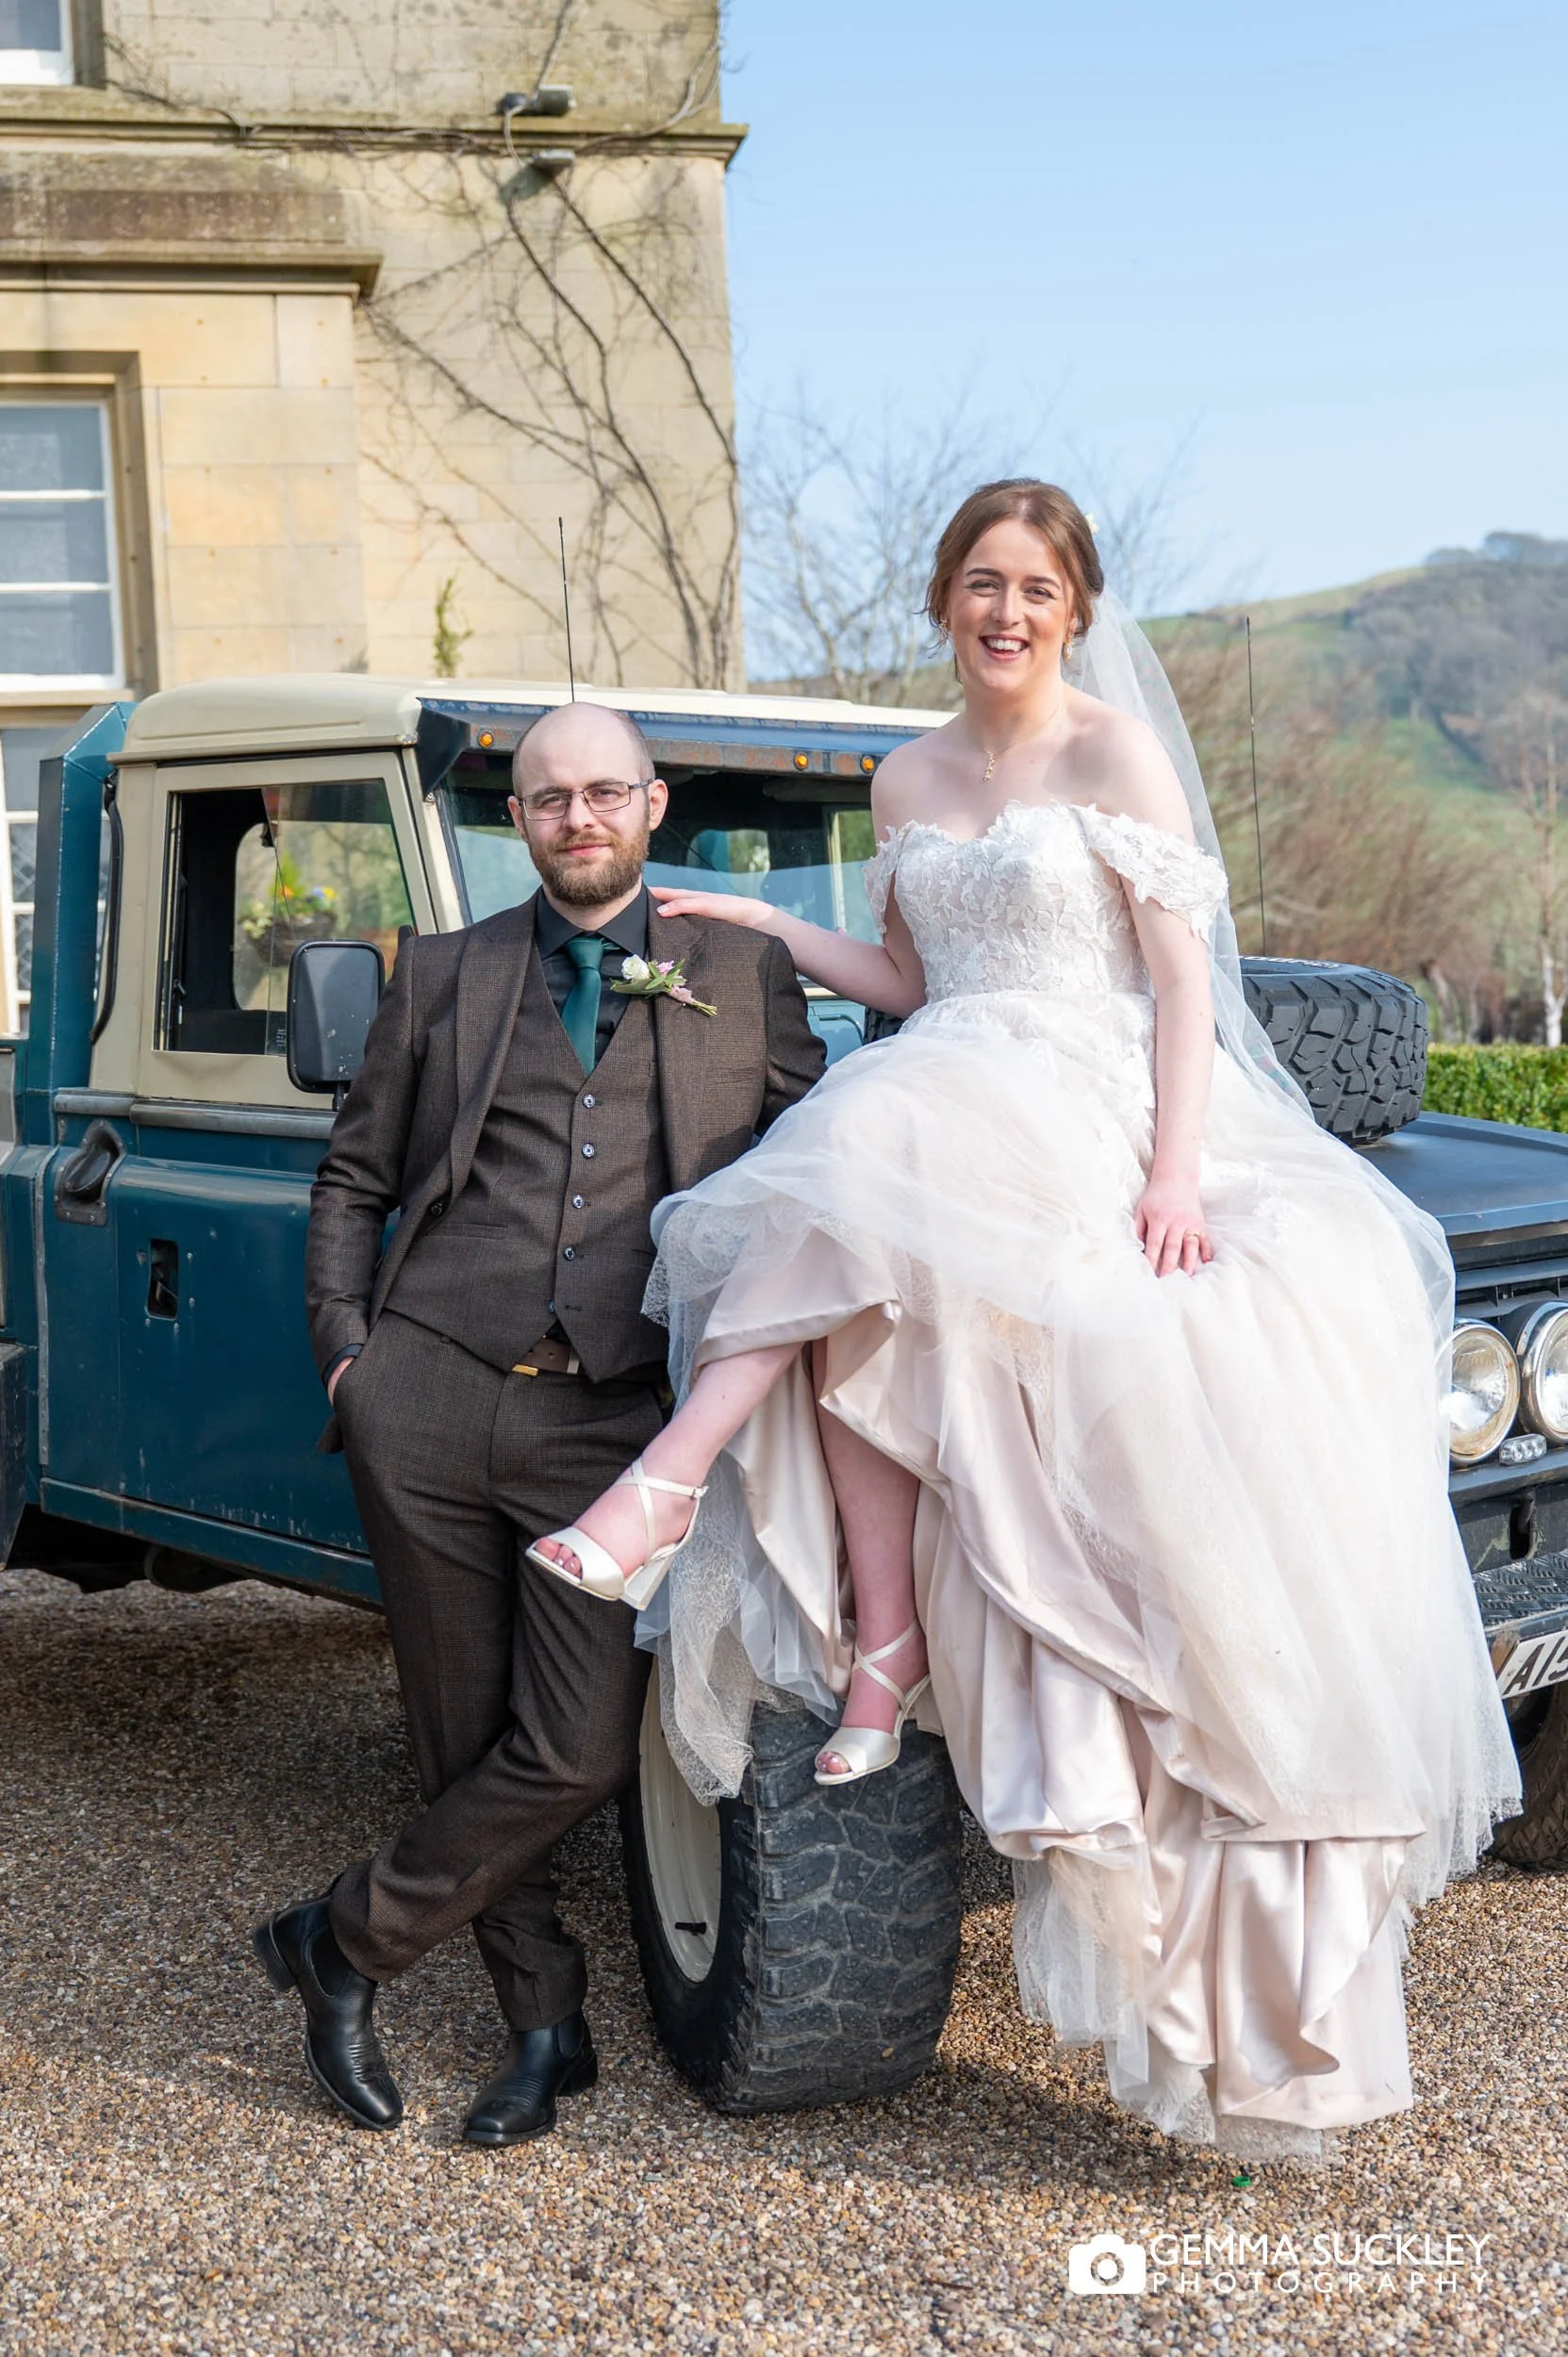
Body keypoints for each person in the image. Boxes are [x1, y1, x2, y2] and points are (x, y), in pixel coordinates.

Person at [529, 481, 1524, 2161]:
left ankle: (673, 1483)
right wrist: (774, 926)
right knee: (860, 1193)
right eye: (981, 583)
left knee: (857, 1162)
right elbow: (917, 991)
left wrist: (1177, 1174)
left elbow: (1183, 982)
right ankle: (866, 1633)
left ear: (1075, 610)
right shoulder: (904, 777)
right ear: (945, 600)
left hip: (1093, 1108)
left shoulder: (1113, 753)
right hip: (952, 1081)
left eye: (1037, 588)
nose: (1006, 611)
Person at [252, 701, 824, 2146]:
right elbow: (353, 1178)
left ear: (651, 804)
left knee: (573, 1747)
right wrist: (349, 1360)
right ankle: (542, 2025)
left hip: (618, 1422)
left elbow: (816, 1172)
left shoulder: (741, 973)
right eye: (550, 798)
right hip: (429, 1397)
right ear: (519, 819)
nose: (579, 818)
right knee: (460, 1736)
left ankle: (340, 1941)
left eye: (603, 793)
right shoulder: (444, 972)